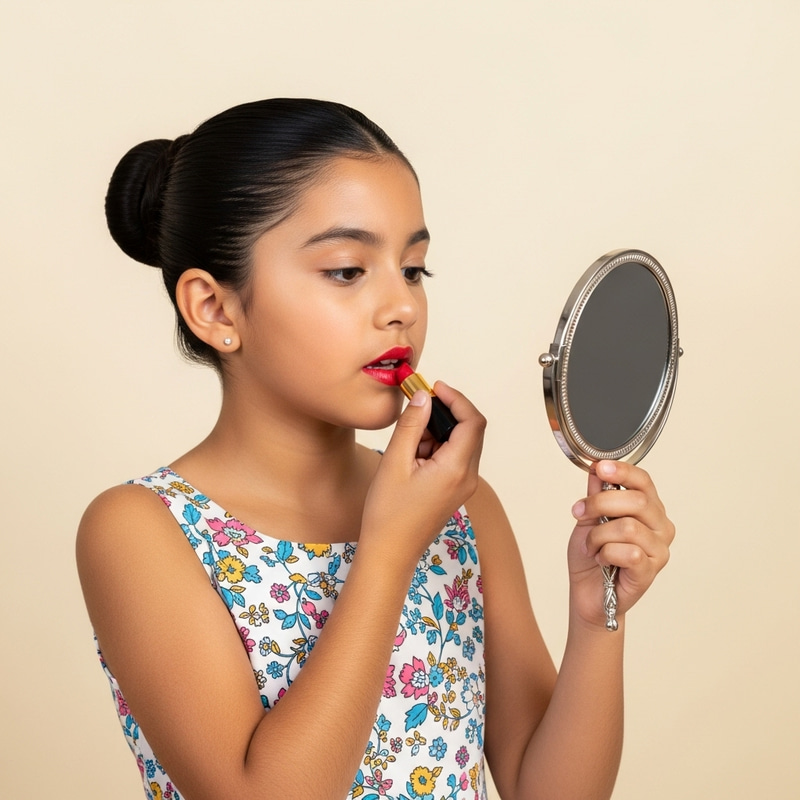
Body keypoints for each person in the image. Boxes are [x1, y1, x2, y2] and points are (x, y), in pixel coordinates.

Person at [76, 98, 674, 800]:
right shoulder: (139, 531)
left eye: (414, 269)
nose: (402, 307)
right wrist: (388, 549)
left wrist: (594, 614)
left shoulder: (462, 510)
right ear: (215, 309)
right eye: (346, 270)